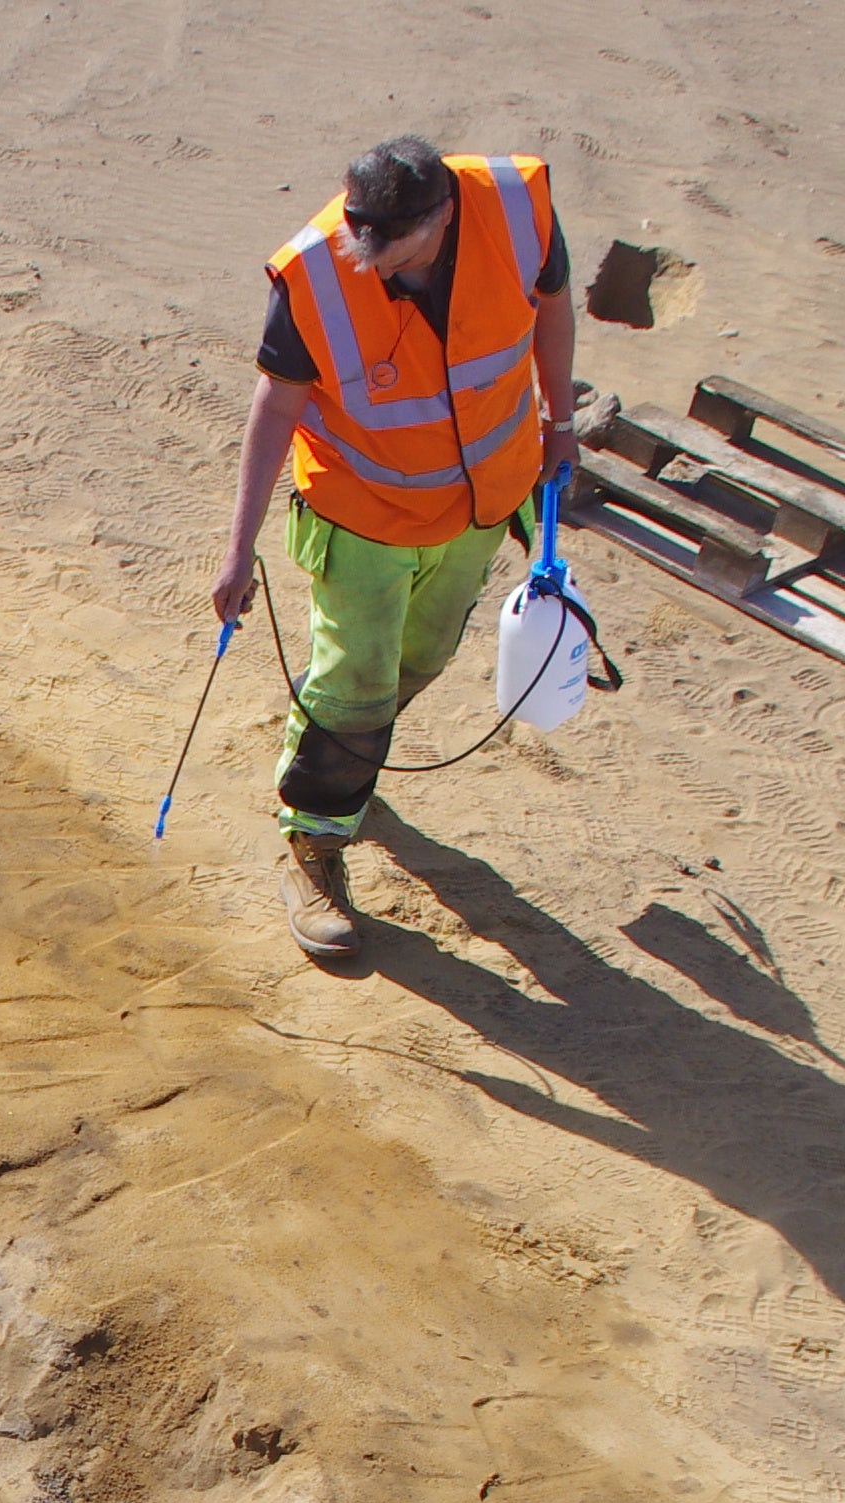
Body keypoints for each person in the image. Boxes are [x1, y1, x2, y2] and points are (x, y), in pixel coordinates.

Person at [209, 137, 579, 967]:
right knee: (359, 685)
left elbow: (552, 305)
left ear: (443, 214)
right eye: (357, 236)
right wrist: (238, 550)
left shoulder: (518, 208)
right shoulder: (319, 268)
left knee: (421, 657)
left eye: (389, 247)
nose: (364, 260)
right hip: (363, 509)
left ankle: (338, 746)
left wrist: (561, 423)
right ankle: (312, 846)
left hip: (480, 500)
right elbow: (274, 409)